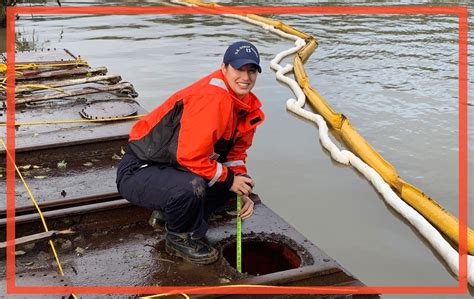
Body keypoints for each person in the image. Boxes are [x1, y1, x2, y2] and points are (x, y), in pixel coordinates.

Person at [116, 41, 264, 265]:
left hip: (174, 167)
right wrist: (228, 179)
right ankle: (178, 237)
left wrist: (240, 186)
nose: (245, 77)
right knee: (191, 187)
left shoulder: (246, 106)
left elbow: (236, 154)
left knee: (229, 184)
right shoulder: (212, 98)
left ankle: (167, 214)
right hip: (140, 169)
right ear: (224, 68)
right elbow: (190, 156)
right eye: (239, 69)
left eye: (251, 70)